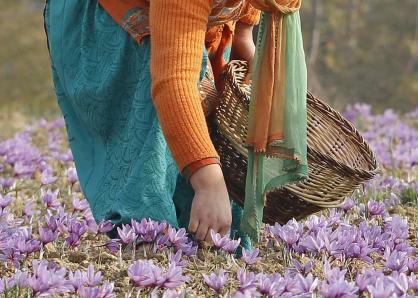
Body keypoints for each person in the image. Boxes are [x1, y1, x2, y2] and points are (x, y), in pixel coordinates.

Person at [44, 0, 306, 246]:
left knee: (210, 224)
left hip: (187, 17)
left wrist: (243, 40)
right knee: (155, 99)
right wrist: (208, 181)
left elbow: (245, 14)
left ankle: (189, 224)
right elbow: (174, 82)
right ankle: (144, 236)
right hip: (110, 21)